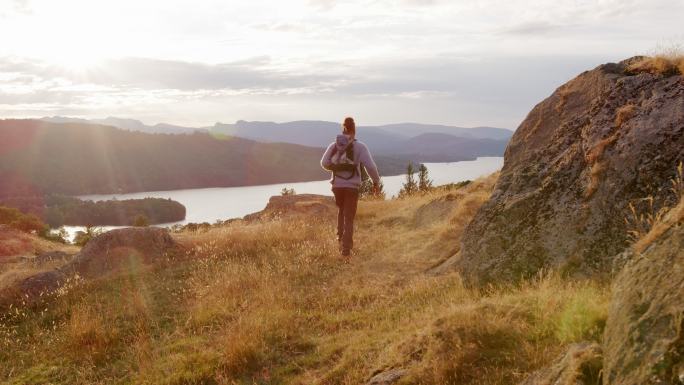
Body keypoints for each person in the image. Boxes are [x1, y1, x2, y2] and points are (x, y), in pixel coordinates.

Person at [321, 117, 381, 261]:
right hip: (352, 187)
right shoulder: (360, 147)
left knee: (341, 211)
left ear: (343, 129)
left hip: (337, 186)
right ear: (354, 130)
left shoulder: (334, 145)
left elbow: (324, 163)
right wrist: (376, 182)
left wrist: (335, 167)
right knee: (349, 217)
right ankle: (346, 250)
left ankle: (340, 241)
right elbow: (371, 167)